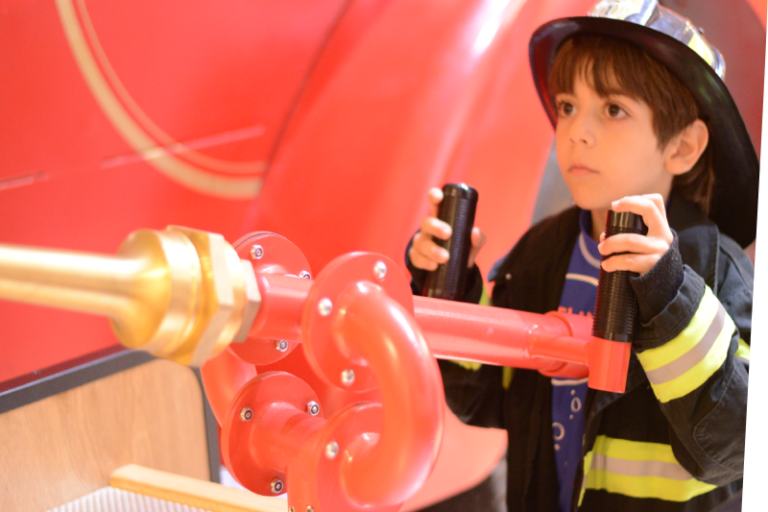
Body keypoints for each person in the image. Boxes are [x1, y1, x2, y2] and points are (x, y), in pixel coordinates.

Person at [405, 1, 754, 511]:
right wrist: (453, 291)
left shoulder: (713, 266)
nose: (576, 131)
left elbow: (733, 443)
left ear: (682, 147)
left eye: (613, 109)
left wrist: (668, 295)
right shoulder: (542, 253)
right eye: (568, 106)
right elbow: (486, 396)